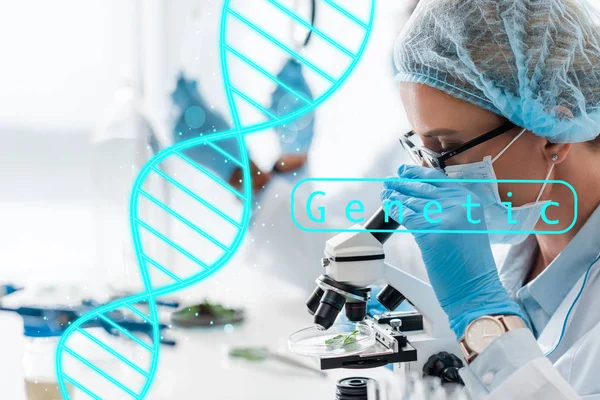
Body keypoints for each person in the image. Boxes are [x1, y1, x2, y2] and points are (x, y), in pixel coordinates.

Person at [382, 0, 600, 398]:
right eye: (423, 148)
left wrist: (481, 312)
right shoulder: (511, 244)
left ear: (553, 131)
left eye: (448, 147)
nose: (434, 173)